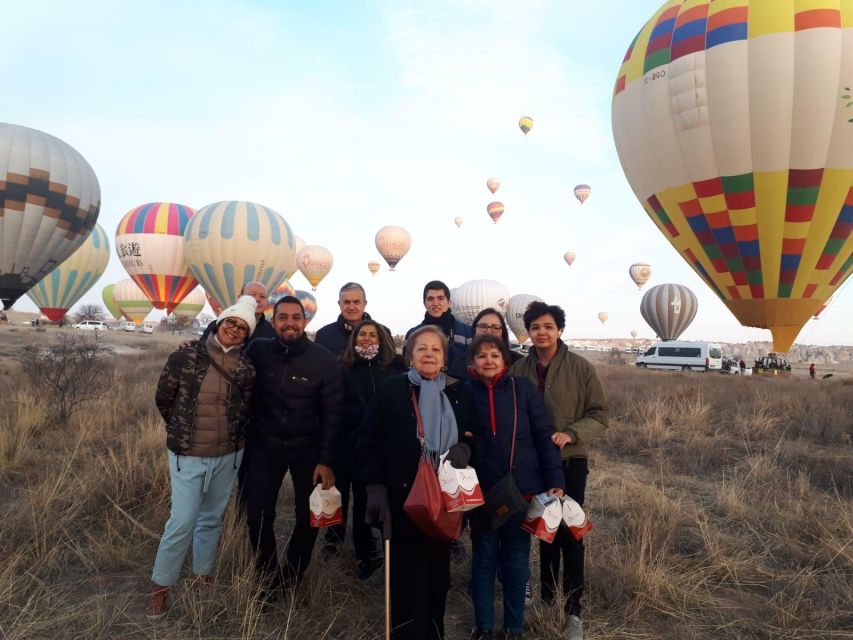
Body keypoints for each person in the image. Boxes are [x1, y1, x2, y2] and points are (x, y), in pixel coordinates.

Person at [146, 296, 257, 620]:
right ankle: (160, 589)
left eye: (242, 327)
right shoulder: (184, 357)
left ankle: (202, 576)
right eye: (231, 323)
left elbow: (247, 407)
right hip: (189, 456)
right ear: (220, 323)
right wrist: (182, 430)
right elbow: (163, 399)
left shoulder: (247, 368)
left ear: (247, 334)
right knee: (181, 522)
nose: (234, 330)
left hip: (228, 455)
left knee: (211, 519)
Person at [358, 325, 473, 640]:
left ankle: (434, 633)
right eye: (421, 348)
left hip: (443, 501)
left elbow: (471, 434)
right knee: (406, 578)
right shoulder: (392, 389)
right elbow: (367, 440)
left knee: (438, 578)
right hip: (401, 500)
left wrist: (466, 447)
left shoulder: (457, 392)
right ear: (409, 355)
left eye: (436, 349)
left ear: (445, 358)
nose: (429, 354)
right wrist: (375, 487)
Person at [510, 301, 608, 640]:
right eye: (535, 327)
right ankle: (548, 600)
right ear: (528, 331)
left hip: (570, 461)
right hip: (531, 464)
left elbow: (599, 414)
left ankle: (573, 610)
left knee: (569, 532)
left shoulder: (581, 368)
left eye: (548, 327)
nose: (541, 332)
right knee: (543, 530)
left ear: (560, 330)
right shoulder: (519, 369)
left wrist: (572, 433)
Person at [465, 335, 565, 640]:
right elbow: (457, 438)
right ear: (473, 363)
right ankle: (483, 626)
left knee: (516, 562)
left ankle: (513, 628)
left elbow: (544, 435)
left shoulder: (522, 390)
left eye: (494, 355)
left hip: (521, 493)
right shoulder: (464, 393)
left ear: (505, 360)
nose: (489, 361)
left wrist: (555, 480)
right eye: (481, 356)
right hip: (481, 496)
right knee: (483, 561)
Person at [243, 295, 343, 596]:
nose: (289, 322)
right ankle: (268, 572)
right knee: (257, 514)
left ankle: (294, 572)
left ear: (305, 321)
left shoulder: (324, 359)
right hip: (264, 446)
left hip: (307, 450)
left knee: (309, 516)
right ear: (273, 322)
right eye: (283, 317)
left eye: (295, 317)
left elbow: (333, 413)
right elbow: (223, 351)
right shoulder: (257, 350)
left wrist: (325, 460)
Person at [329, 319, 406, 577]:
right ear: (354, 339)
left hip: (375, 447)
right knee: (342, 495)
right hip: (346, 443)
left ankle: (367, 555)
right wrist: (365, 413)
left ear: (381, 339)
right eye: (362, 334)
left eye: (373, 335)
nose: (367, 338)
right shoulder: (342, 368)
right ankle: (334, 542)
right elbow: (334, 407)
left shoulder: (391, 371)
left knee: (365, 501)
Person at [314, 282, 389, 356]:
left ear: (364, 304)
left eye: (356, 302)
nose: (351, 307)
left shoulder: (383, 333)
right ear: (339, 304)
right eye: (346, 302)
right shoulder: (324, 335)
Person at [405, 280, 472, 363]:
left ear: (449, 302)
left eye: (440, 298)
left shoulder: (468, 332)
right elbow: (407, 364)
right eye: (430, 299)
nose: (436, 303)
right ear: (424, 304)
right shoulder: (412, 334)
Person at [447, 307, 523, 378]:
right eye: (483, 326)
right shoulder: (459, 365)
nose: (489, 332)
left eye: (495, 328)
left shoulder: (519, 363)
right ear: (474, 331)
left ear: (503, 333)